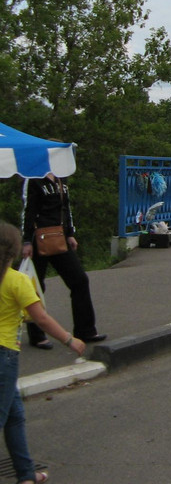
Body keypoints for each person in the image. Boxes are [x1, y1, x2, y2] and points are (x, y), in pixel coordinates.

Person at [1, 221, 86, 484]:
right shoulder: (18, 281)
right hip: (5, 356)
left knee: (15, 416)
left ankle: (26, 474)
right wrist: (69, 339)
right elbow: (42, 319)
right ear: (15, 252)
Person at [21, 173, 106, 348]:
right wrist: (26, 241)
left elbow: (66, 208)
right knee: (36, 286)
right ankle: (37, 335)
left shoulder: (61, 179)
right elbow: (27, 210)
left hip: (58, 236)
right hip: (38, 239)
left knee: (79, 280)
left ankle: (85, 330)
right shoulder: (33, 178)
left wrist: (70, 234)